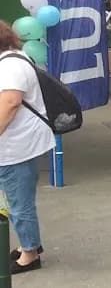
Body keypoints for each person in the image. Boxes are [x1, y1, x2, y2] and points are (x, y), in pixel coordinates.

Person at [0, 20, 55, 273]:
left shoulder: (9, 66)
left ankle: (30, 254)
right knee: (18, 198)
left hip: (17, 144)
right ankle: (28, 245)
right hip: (22, 142)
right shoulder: (15, 58)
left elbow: (11, 102)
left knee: (19, 201)